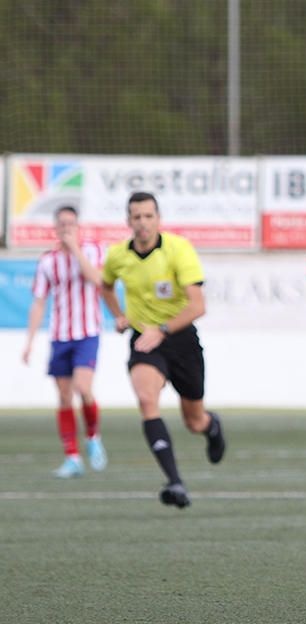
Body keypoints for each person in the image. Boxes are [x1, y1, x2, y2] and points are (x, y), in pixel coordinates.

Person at [100, 192, 225, 509]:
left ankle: (212, 427)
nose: (142, 223)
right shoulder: (118, 255)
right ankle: (175, 482)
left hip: (180, 339)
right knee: (146, 399)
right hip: (144, 339)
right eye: (136, 217)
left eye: (148, 216)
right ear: (128, 221)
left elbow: (198, 306)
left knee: (193, 420)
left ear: (159, 219)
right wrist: (120, 315)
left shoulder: (177, 249)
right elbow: (104, 284)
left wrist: (164, 329)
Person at [22, 205, 108, 478]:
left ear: (78, 226)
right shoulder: (47, 261)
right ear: (55, 228)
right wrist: (30, 341)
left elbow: (98, 280)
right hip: (60, 335)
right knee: (63, 396)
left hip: (87, 332)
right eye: (62, 224)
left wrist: (76, 251)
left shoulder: (92, 250)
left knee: (84, 387)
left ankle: (93, 437)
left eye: (71, 224)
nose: (66, 228)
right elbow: (38, 302)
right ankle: (72, 458)